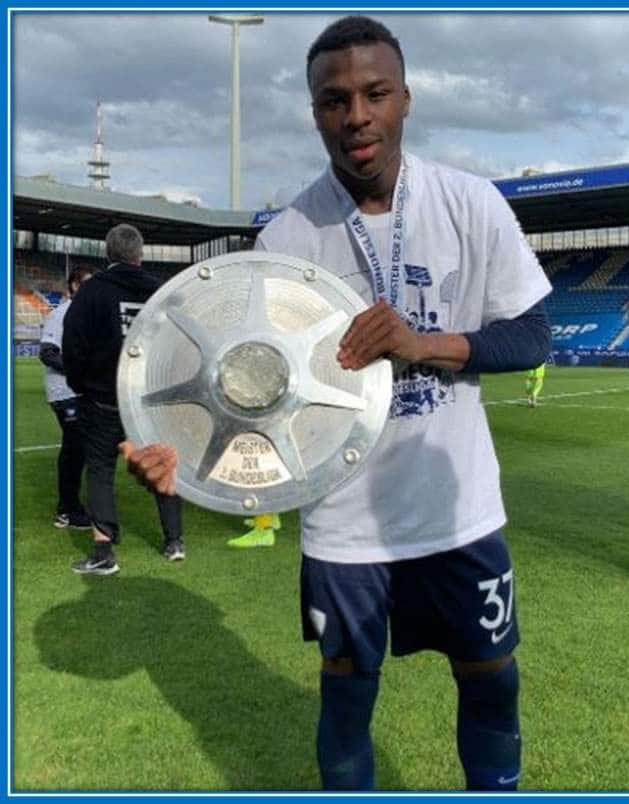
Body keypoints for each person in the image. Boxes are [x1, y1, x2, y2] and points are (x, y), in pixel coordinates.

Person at [120, 16, 552, 790]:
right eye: (334, 99)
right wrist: (175, 460)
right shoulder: (285, 239)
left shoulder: (470, 203)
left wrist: (427, 343)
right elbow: (235, 382)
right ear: (316, 111)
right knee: (346, 703)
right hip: (344, 537)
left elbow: (531, 336)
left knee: (493, 684)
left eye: (375, 93)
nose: (356, 115)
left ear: (405, 99)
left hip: (460, 519)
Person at [62, 223, 185, 576]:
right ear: (140, 254)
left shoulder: (92, 292)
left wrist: (79, 383)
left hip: (103, 399)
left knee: (100, 470)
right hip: (151, 400)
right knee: (162, 463)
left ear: (108, 253)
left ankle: (104, 550)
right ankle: (174, 540)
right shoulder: (162, 292)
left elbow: (73, 344)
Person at [40, 266, 94, 529]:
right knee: (74, 449)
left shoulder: (87, 315)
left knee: (80, 448)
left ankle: (72, 504)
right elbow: (48, 353)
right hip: (64, 392)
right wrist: (81, 371)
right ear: (73, 286)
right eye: (85, 284)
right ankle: (68, 510)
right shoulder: (60, 314)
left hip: (80, 391)